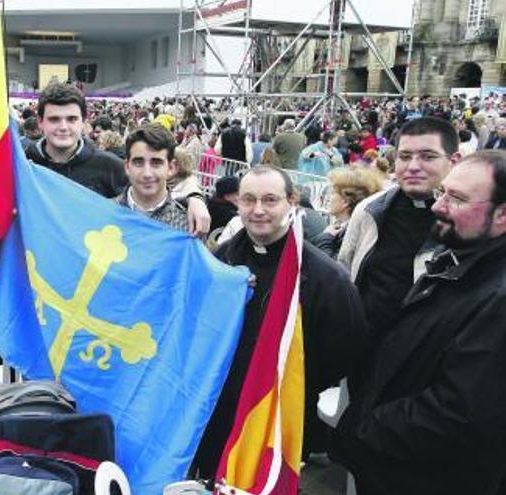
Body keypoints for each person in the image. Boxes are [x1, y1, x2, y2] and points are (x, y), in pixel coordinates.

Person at [331, 150, 506, 495]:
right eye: (443, 192)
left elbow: (458, 414)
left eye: (456, 199)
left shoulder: (497, 297)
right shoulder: (456, 259)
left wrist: (359, 431)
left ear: (502, 215)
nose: (439, 206)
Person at [191, 165, 366, 476]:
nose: (258, 210)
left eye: (270, 200)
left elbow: (343, 354)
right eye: (248, 200)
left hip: (284, 416)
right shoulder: (221, 261)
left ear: (292, 201)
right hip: (221, 414)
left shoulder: (327, 278)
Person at [23, 83, 211, 236]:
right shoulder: (21, 163)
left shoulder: (108, 165)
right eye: (54, 119)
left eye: (71, 119)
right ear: (40, 121)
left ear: (83, 120)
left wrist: (195, 198)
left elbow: (158, 181)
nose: (63, 127)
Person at [338, 117, 460, 348]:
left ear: (454, 160)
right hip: (365, 356)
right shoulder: (369, 209)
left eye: (428, 156)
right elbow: (346, 271)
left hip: (429, 361)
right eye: (405, 156)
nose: (413, 166)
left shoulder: (469, 219)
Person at [114, 124, 192, 234]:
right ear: (127, 167)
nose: (147, 173)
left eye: (156, 163)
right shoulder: (106, 213)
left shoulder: (188, 226)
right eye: (138, 163)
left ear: (171, 168)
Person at [315, 167, 384, 258]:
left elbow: (334, 268)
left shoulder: (353, 233)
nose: (328, 198)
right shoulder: (348, 226)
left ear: (345, 201)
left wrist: (325, 238)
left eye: (332, 193)